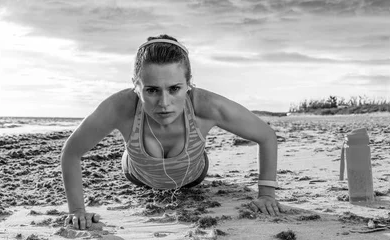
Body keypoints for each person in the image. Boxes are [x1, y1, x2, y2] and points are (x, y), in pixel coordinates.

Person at [61, 34, 282, 230]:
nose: (164, 102)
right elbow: (71, 152)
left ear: (188, 84)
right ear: (136, 86)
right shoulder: (120, 107)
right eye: (152, 90)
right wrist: (77, 210)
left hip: (193, 176)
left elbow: (266, 136)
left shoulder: (206, 106)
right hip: (138, 175)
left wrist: (266, 195)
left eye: (174, 89)